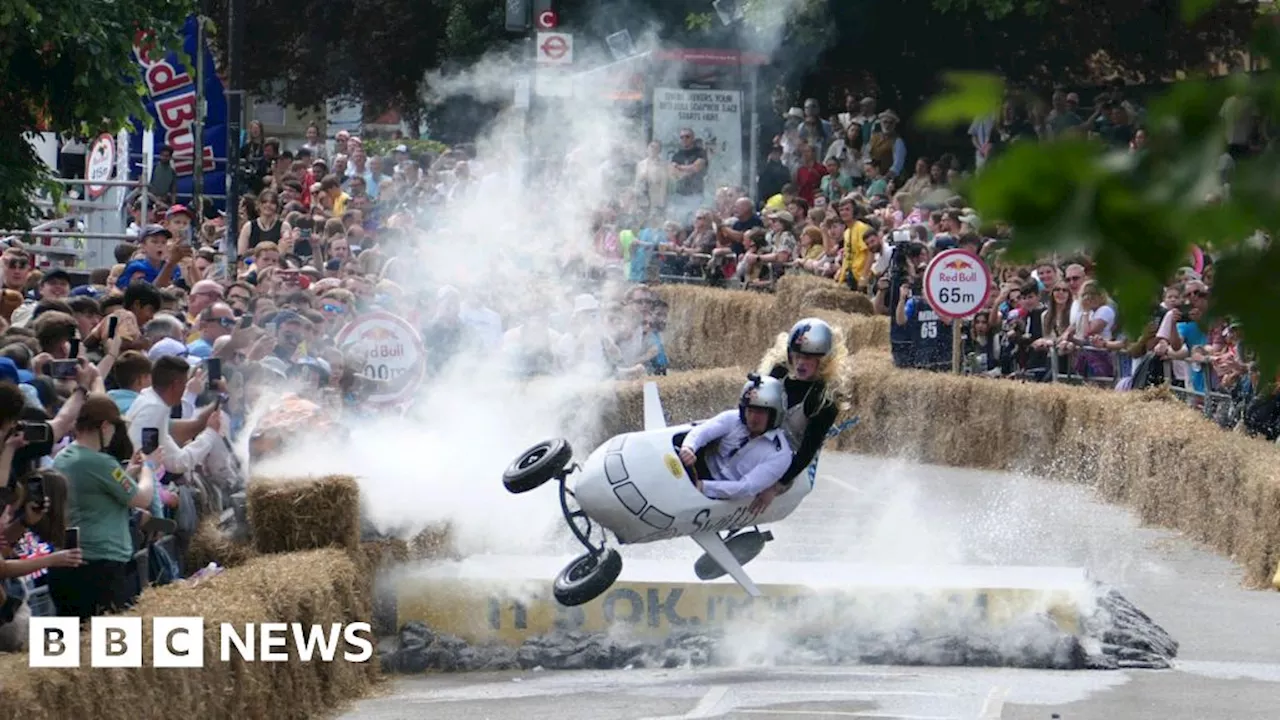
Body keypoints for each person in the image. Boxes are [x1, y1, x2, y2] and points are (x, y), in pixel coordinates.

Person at [753, 318, 848, 509]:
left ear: (823, 360)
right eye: (797, 356)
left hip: (786, 458)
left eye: (809, 358)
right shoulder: (778, 373)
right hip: (758, 442)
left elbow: (808, 450)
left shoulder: (824, 399)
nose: (801, 363)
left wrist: (777, 485)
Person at [677, 375, 791, 501]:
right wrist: (688, 447)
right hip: (700, 466)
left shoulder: (780, 454)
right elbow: (702, 432)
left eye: (760, 412)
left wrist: (703, 486)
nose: (753, 418)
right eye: (750, 410)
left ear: (774, 415)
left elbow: (746, 487)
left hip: (723, 492)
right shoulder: (732, 418)